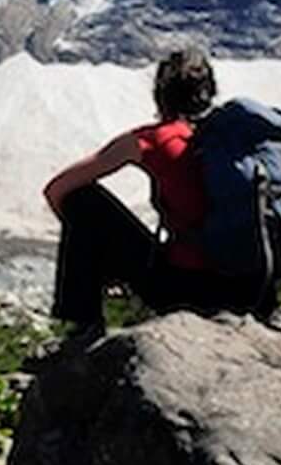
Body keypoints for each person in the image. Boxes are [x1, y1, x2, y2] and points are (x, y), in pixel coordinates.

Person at [41, 47, 258, 334]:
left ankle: (82, 323)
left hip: (187, 290)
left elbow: (58, 189)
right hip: (252, 289)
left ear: (160, 93)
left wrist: (100, 256)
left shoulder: (155, 140)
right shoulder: (238, 138)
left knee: (82, 199)